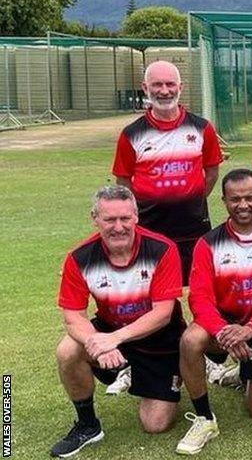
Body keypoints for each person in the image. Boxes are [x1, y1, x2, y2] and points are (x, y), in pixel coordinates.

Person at [52, 186, 185, 457]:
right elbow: (73, 316)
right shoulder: (79, 257)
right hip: (110, 330)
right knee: (67, 350)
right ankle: (88, 425)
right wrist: (98, 342)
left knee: (155, 424)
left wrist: (115, 339)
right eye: (109, 219)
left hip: (158, 337)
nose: (118, 227)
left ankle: (168, 372)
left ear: (136, 216)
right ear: (95, 218)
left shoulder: (162, 249)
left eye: (125, 218)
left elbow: (162, 314)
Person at [174, 169, 252, 454]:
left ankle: (242, 374)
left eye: (249, 198)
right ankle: (205, 418)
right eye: (235, 199)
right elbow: (200, 298)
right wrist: (224, 332)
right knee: (190, 340)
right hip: (224, 327)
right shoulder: (208, 243)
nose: (243, 205)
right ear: (224, 201)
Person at [113, 60, 223, 286]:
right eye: (157, 85)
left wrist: (193, 198)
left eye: (170, 84)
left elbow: (211, 171)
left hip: (193, 226)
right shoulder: (131, 133)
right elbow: (123, 181)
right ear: (145, 88)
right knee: (154, 288)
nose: (164, 91)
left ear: (180, 87)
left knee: (198, 287)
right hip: (149, 227)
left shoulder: (202, 128)